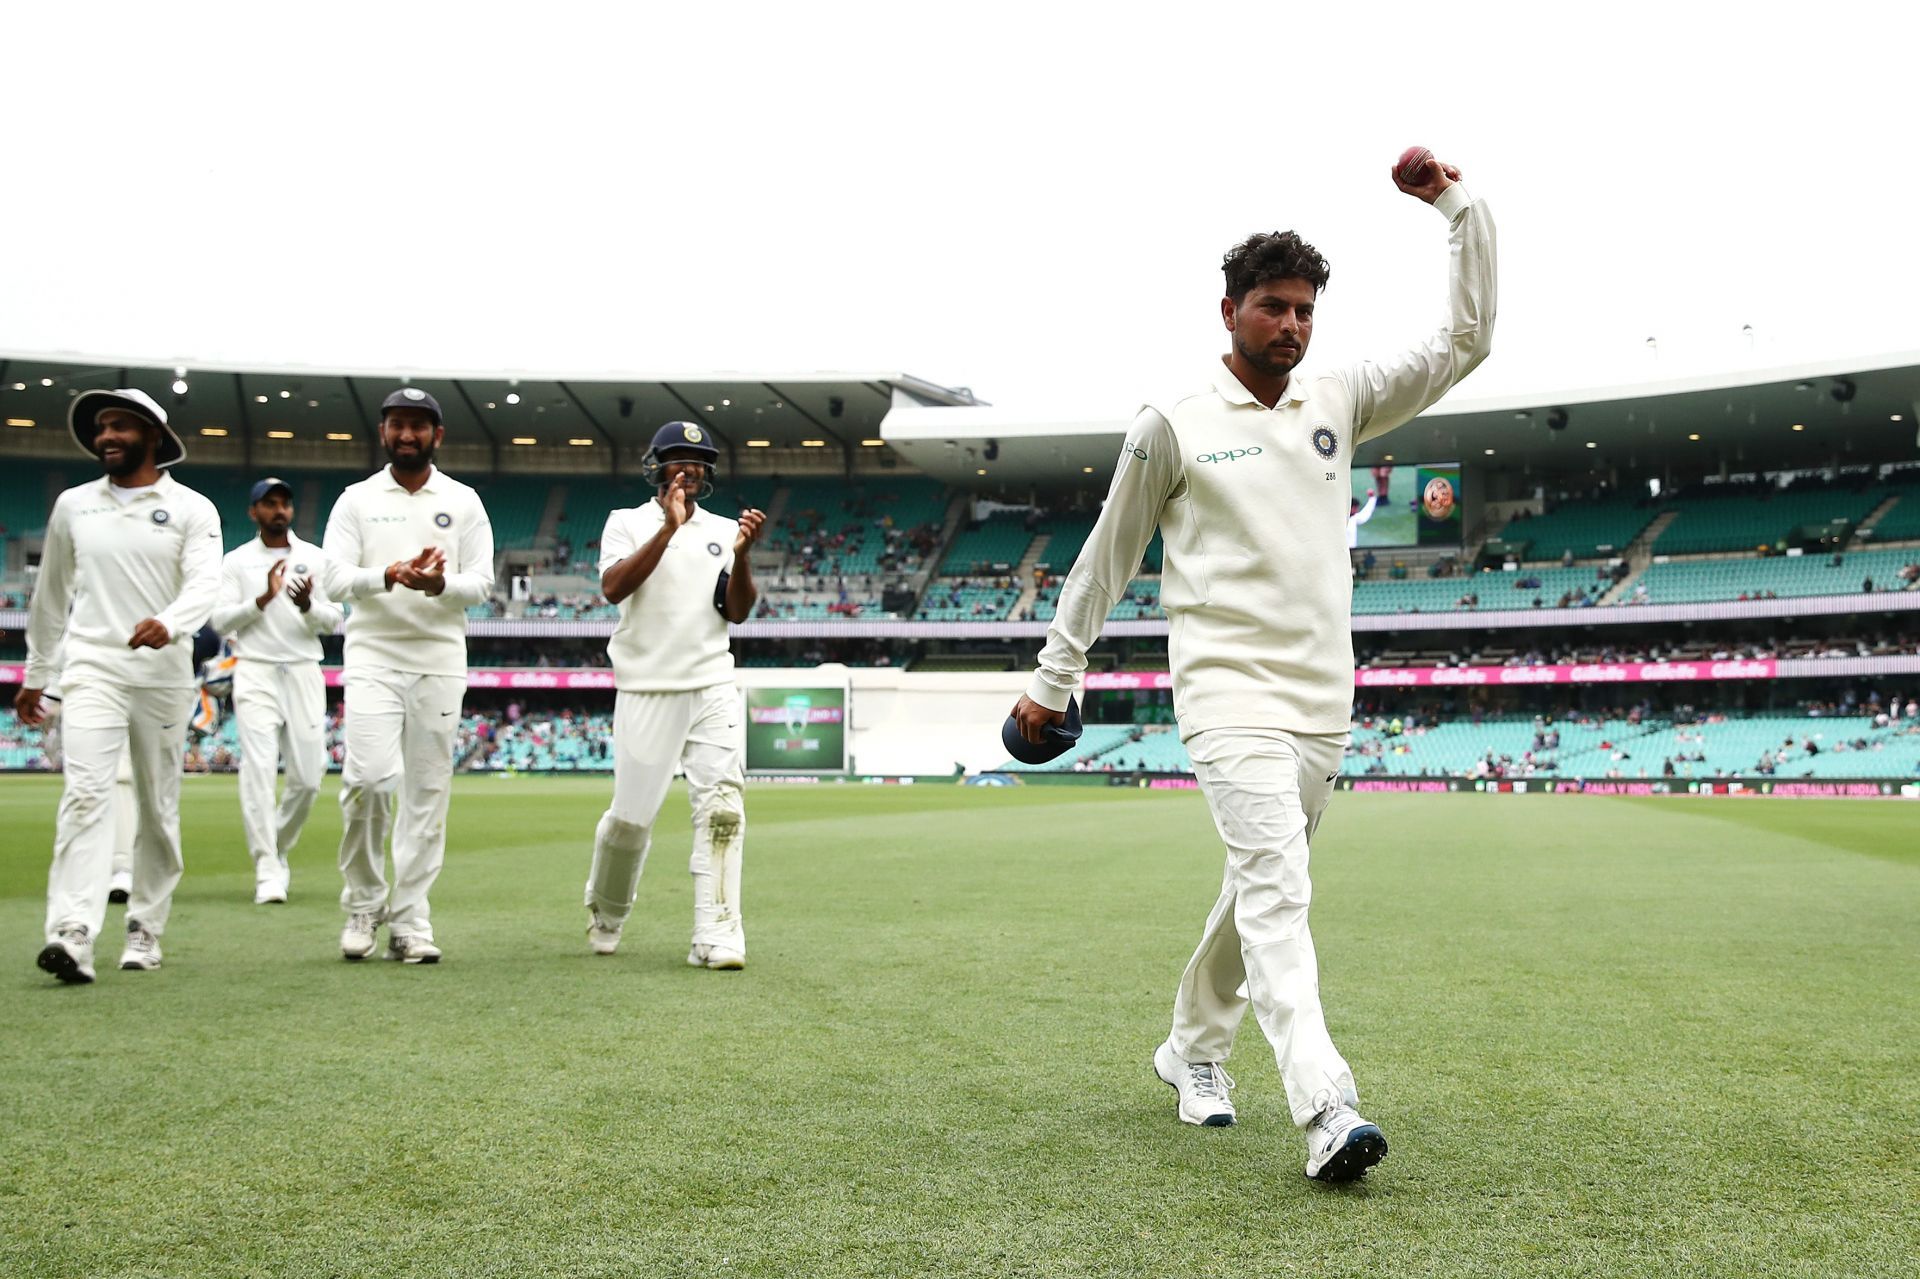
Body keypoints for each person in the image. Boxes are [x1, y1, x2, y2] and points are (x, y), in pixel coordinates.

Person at [1009, 152, 1495, 1182]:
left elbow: (1467, 341)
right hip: (1226, 693)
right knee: (1278, 888)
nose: (1292, 326)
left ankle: (1189, 1050)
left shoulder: (1341, 395)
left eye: (1306, 310)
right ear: (1228, 310)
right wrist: (1054, 680)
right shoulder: (1171, 424)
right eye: (1272, 307)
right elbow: (1108, 558)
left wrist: (1459, 208)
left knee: (1259, 886)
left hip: (1323, 699)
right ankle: (1326, 1107)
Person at [20, 388, 223, 982]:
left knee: (157, 808)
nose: (106, 436)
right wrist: (38, 674)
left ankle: (145, 927)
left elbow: (205, 582)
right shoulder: (74, 505)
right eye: (101, 427)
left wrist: (174, 623)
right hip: (92, 669)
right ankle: (72, 932)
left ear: (153, 435)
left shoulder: (192, 508)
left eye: (119, 426)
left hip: (162, 676)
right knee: (86, 795)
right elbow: (51, 597)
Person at [320, 388, 494, 964]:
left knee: (427, 793)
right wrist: (390, 574)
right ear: (384, 432)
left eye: (418, 426)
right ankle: (363, 904)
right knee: (368, 782)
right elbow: (334, 579)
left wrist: (438, 585)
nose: (407, 435)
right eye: (397, 424)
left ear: (436, 435)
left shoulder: (463, 501)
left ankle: (411, 919)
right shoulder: (357, 499)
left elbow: (482, 585)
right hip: (372, 656)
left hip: (440, 660)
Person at [583, 422, 766, 968]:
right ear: (656, 465)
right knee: (631, 819)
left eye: (698, 462)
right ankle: (608, 909)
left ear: (709, 472)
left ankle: (717, 933)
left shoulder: (724, 529)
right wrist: (667, 529)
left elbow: (735, 610)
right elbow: (613, 587)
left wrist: (744, 554)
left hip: (710, 681)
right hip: (646, 686)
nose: (688, 469)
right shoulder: (626, 522)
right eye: (677, 460)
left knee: (723, 808)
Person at [210, 477, 343, 904]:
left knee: (308, 778)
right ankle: (267, 866)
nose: (279, 510)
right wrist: (263, 600)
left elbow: (334, 620)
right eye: (269, 504)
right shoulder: (236, 562)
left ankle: (278, 846)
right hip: (255, 669)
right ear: (254, 512)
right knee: (260, 769)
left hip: (304, 668)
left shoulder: (316, 558)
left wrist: (307, 606)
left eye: (284, 503)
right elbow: (219, 622)